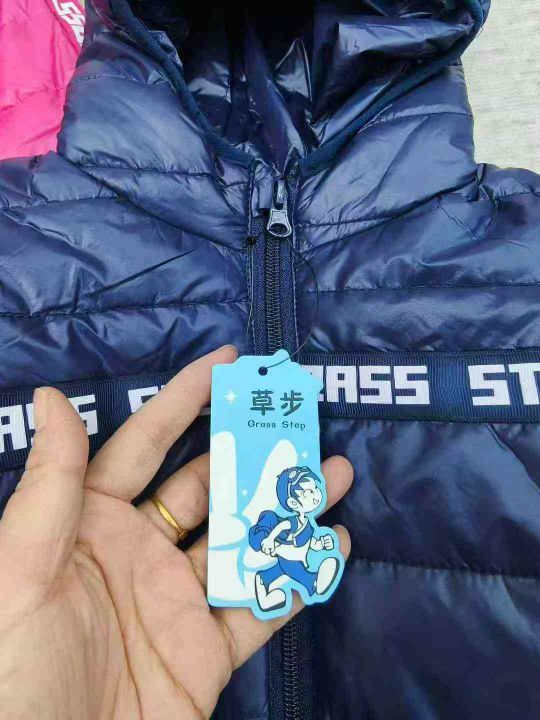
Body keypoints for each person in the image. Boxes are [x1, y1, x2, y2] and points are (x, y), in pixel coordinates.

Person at [0, 346, 353, 719]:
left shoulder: (299, 519)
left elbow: (302, 536)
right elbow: (265, 533)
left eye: (312, 492)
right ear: (291, 496)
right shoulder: (279, 519)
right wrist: (268, 540)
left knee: (290, 563)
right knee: (284, 565)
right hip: (251, 573)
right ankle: (295, 580)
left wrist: (315, 540)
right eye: (306, 492)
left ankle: (288, 580)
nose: (312, 496)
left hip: (208, 642)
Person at [253, 466, 340, 612]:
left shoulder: (308, 524)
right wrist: (269, 540)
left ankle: (263, 581)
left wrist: (322, 544)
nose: (316, 494)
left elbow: (310, 543)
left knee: (279, 571)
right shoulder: (294, 521)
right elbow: (281, 526)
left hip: (296, 558)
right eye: (309, 492)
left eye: (315, 488)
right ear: (293, 503)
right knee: (293, 568)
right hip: (288, 557)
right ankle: (313, 584)